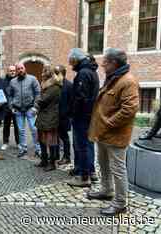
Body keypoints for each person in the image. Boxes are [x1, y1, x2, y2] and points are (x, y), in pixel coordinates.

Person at [87, 48, 139, 216]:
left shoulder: (127, 81)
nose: (102, 65)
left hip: (115, 135)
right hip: (103, 133)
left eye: (106, 62)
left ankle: (120, 203)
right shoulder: (113, 78)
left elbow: (129, 109)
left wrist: (109, 123)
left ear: (114, 63)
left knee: (118, 169)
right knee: (103, 164)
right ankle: (106, 190)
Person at [66, 48, 100, 187]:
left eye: (71, 61)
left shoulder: (83, 73)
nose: (70, 64)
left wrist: (74, 113)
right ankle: (90, 171)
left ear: (76, 59)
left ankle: (83, 177)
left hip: (82, 117)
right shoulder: (91, 71)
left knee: (82, 146)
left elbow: (81, 98)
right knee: (88, 144)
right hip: (89, 115)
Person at [9, 63, 41, 158]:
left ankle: (38, 149)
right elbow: (10, 95)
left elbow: (38, 93)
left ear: (25, 68)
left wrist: (35, 107)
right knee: (20, 130)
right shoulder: (12, 82)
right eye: (18, 69)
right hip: (18, 109)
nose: (20, 70)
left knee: (34, 129)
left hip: (30, 108)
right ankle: (23, 148)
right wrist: (12, 107)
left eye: (21, 68)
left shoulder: (32, 79)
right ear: (16, 70)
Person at [35, 64, 62, 171]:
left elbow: (43, 100)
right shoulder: (46, 86)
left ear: (49, 74)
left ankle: (52, 163)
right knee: (41, 140)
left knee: (50, 141)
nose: (42, 73)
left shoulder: (54, 87)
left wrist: (37, 100)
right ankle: (44, 160)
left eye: (45, 71)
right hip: (43, 116)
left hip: (50, 116)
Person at [54, 65, 73, 165]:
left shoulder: (69, 85)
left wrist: (68, 115)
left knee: (64, 137)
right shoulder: (55, 85)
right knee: (55, 136)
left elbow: (72, 102)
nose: (54, 75)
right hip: (55, 116)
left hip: (64, 117)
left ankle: (67, 157)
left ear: (62, 74)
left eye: (56, 73)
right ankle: (55, 155)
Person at [1, 65, 20, 150]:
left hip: (16, 107)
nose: (12, 72)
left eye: (14, 70)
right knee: (6, 126)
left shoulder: (19, 80)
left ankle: (19, 143)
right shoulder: (3, 82)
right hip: (6, 108)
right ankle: (5, 142)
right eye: (10, 70)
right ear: (7, 71)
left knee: (17, 126)